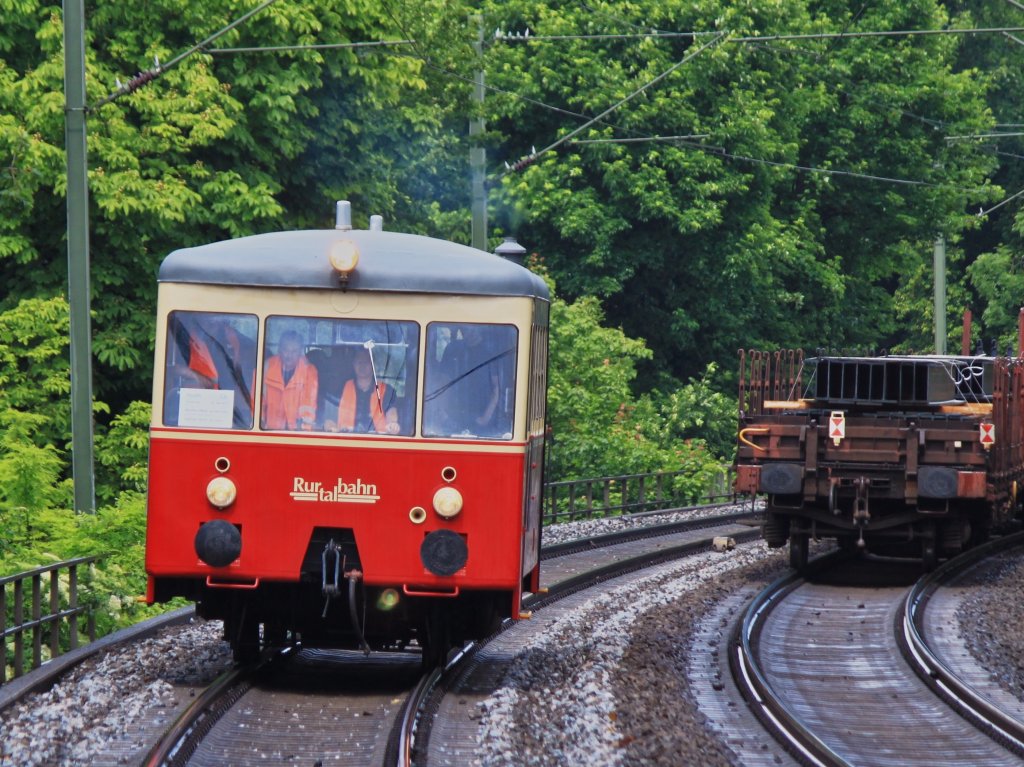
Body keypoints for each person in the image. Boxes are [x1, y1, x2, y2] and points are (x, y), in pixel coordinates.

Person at [440, 324, 502, 434]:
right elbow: (442, 382)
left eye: (471, 329)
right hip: (453, 417)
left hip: (480, 421)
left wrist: (485, 419)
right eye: (464, 329)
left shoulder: (489, 354)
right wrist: (443, 413)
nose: (468, 332)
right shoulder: (452, 349)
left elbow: (496, 388)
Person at [325, 346, 400, 434]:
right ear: (353, 364)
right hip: (346, 439)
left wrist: (393, 424)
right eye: (359, 362)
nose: (362, 365)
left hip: (378, 440)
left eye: (366, 362)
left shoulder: (387, 390)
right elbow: (329, 417)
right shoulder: (341, 388)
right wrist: (330, 426)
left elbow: (391, 412)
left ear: (373, 365)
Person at [261, 330, 318, 430]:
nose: (289, 355)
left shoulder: (309, 371)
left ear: (300, 352)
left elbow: (309, 405)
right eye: (286, 350)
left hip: (297, 431)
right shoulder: (266, 367)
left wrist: (303, 434)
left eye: (294, 351)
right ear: (279, 350)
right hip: (270, 430)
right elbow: (256, 403)